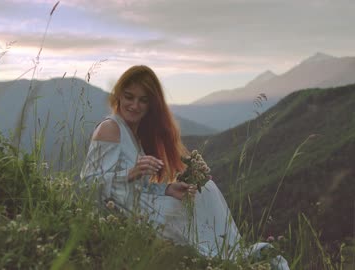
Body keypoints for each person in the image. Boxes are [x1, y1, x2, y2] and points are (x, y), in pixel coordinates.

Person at [80, 65, 289, 269]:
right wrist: (133, 171)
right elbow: (89, 184)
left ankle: (232, 253)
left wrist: (167, 188)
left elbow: (134, 187)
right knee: (189, 207)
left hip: (140, 205)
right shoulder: (110, 128)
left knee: (205, 190)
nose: (135, 105)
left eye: (143, 100)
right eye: (129, 97)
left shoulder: (135, 135)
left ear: (151, 104)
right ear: (118, 96)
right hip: (128, 213)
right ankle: (228, 258)